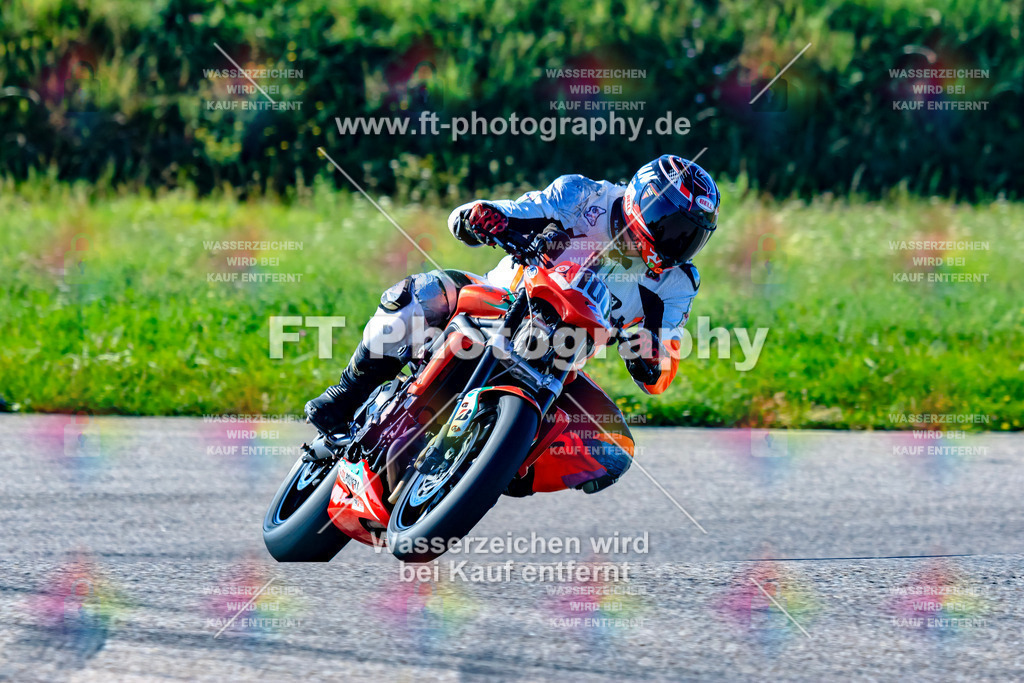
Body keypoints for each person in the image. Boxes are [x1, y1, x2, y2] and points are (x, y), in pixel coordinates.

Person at [305, 154, 720, 495]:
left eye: (690, 236)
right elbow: (511, 212)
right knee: (424, 294)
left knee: (615, 448)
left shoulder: (677, 283)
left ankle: (500, 467)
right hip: (502, 303)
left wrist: (650, 357)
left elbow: (662, 368)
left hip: (563, 361)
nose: (676, 242)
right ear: (643, 200)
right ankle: (345, 395)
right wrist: (484, 217)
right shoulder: (583, 195)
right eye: (671, 225)